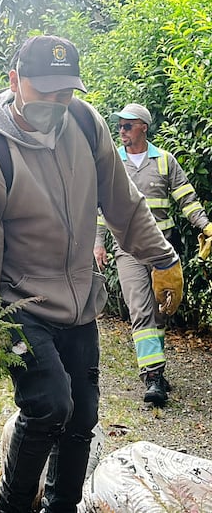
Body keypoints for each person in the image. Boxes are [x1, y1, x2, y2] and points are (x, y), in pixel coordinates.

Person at [0, 35, 184, 513]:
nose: (56, 104)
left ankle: (61, 506)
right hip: (19, 307)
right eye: (44, 92)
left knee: (83, 416)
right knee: (51, 404)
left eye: (66, 92)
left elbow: (124, 202)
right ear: (14, 82)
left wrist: (164, 260)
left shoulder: (85, 123)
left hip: (78, 303)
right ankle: (11, 507)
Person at [93, 103, 212, 407]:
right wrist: (98, 243)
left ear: (143, 127)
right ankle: (153, 376)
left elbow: (187, 199)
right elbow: (101, 208)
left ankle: (154, 367)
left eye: (127, 126)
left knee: (160, 312)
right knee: (141, 311)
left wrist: (206, 226)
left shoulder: (164, 162)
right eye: (119, 126)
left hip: (161, 250)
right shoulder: (113, 164)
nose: (121, 131)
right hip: (128, 249)